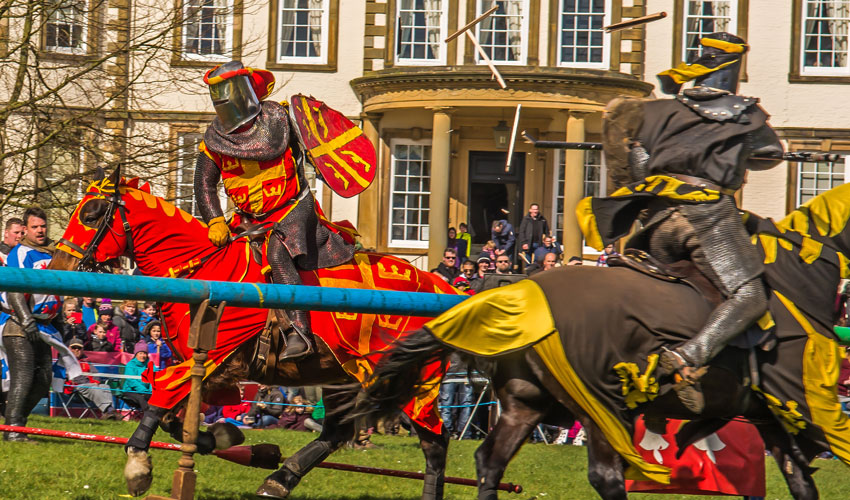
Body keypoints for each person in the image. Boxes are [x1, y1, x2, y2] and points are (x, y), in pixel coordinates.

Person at [578, 32, 782, 413]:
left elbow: (637, 164)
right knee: (751, 295)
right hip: (705, 218)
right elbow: (770, 154)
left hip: (657, 224)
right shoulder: (744, 112)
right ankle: (685, 358)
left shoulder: (662, 111)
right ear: (734, 69)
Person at [194, 61, 355, 361]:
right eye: (215, 90)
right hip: (249, 218)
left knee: (276, 255)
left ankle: (299, 333)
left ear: (242, 88)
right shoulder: (214, 139)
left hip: (292, 207)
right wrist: (214, 220)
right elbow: (204, 185)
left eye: (225, 89)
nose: (221, 97)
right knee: (217, 259)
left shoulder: (279, 118)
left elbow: (317, 148)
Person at [1, 207, 64, 441]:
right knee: (24, 376)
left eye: (43, 226)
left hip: (44, 326)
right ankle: (13, 431)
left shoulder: (53, 253)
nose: (40, 230)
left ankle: (16, 423)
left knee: (43, 380)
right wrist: (26, 320)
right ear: (25, 229)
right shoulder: (21, 252)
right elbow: (16, 288)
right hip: (19, 324)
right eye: (35, 227)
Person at [63, 338, 120, 420]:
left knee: (105, 386)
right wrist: (91, 383)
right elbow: (71, 377)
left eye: (79, 348)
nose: (76, 350)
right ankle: (110, 411)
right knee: (93, 387)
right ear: (69, 348)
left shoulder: (86, 361)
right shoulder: (65, 361)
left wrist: (96, 381)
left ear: (82, 350)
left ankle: (109, 413)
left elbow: (95, 374)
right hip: (74, 389)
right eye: (74, 348)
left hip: (88, 388)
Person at [438, 352, 474, 439]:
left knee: (466, 405)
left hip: (465, 374)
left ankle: (464, 433)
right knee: (447, 405)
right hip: (449, 375)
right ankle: (446, 432)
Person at [121, 341, 155, 411]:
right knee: (141, 398)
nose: (143, 356)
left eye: (145, 353)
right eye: (140, 353)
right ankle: (147, 416)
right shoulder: (130, 365)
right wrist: (144, 391)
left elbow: (154, 377)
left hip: (147, 391)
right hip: (130, 390)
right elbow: (131, 381)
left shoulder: (150, 364)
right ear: (136, 354)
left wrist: (151, 391)